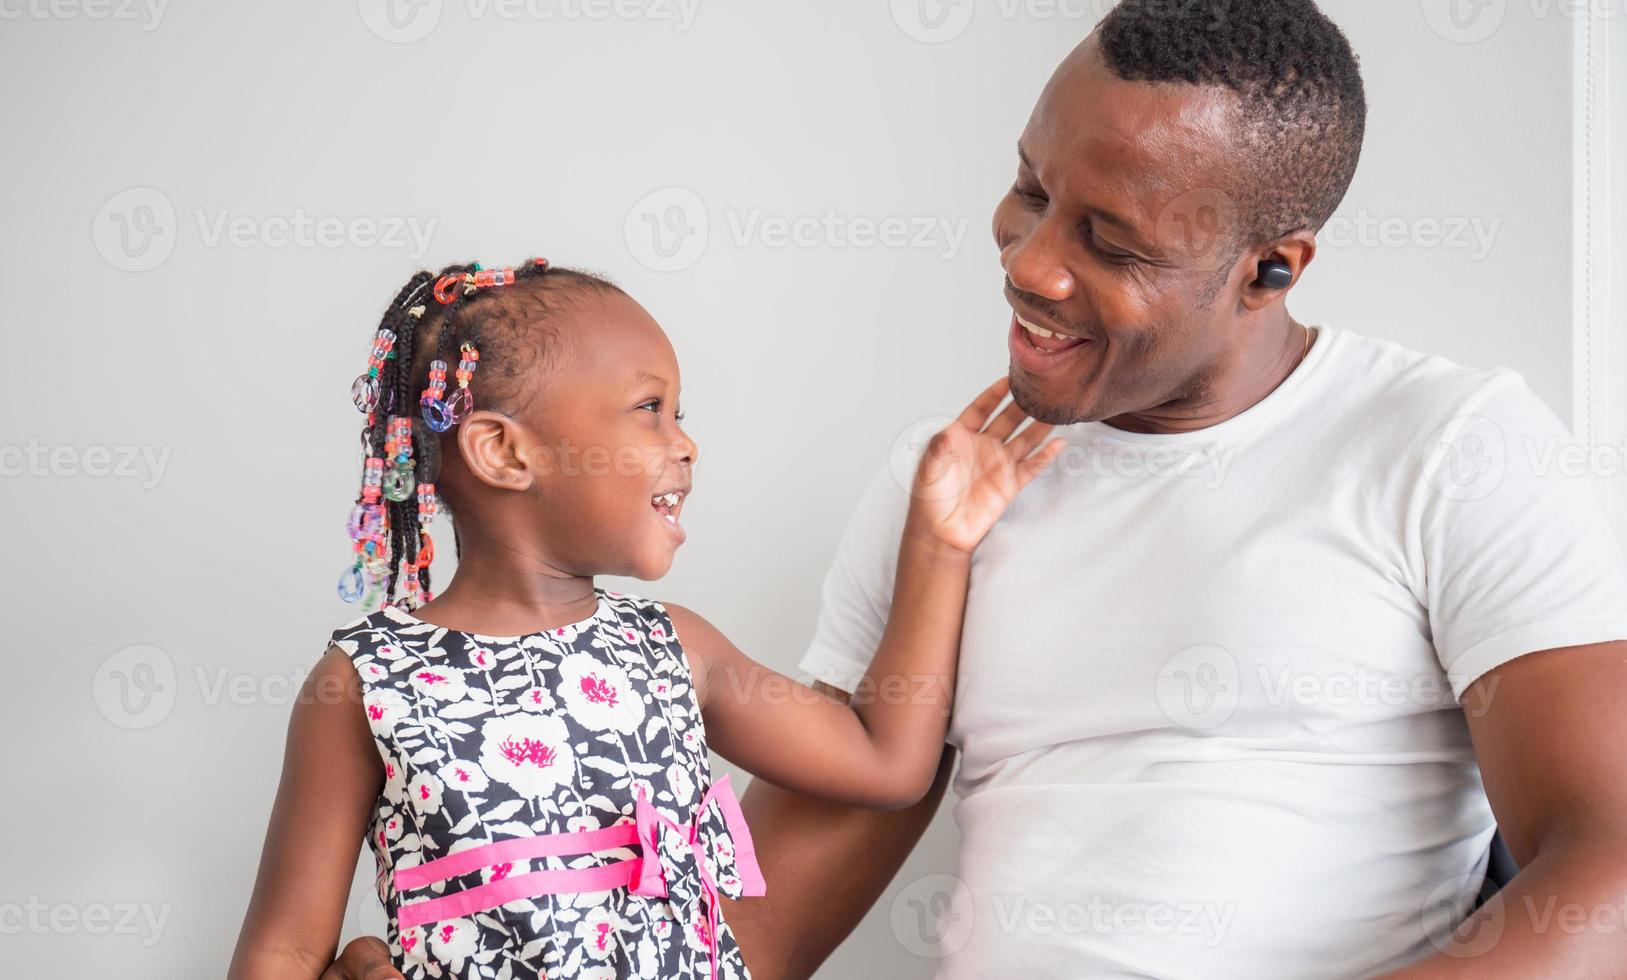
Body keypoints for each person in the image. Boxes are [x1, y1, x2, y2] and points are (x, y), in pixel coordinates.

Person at [328, 2, 1627, 977]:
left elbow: (1602, 864)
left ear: (1267, 267)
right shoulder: (948, 481)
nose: (1032, 265)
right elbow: (778, 892)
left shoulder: (1449, 445)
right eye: (1028, 190)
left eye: (1108, 242)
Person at [227, 258, 1061, 979]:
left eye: (680, 413)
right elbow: (284, 954)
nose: (686, 443)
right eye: (649, 409)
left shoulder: (670, 646)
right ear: (504, 451)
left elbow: (885, 764)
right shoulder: (368, 682)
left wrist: (939, 542)